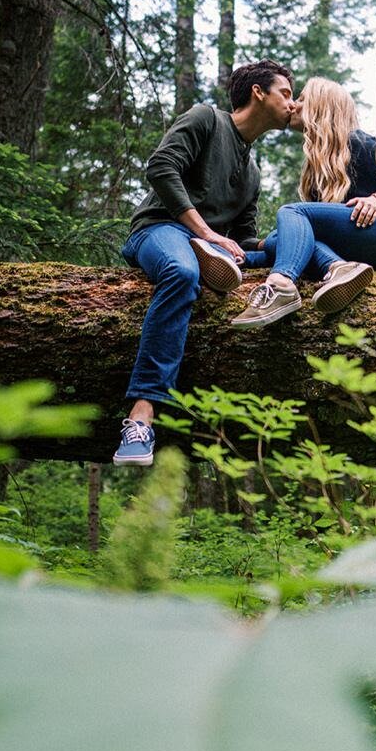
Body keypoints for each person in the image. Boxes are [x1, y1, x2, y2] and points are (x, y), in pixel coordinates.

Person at [112, 60, 297, 466]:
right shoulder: (206, 119)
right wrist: (206, 232)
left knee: (287, 244)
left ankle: (217, 254)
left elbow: (245, 238)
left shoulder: (252, 172)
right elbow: (161, 167)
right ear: (258, 92)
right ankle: (140, 418)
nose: (293, 103)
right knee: (182, 272)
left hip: (211, 245)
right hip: (160, 231)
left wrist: (288, 241)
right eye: (286, 93)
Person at [232, 77, 376, 328]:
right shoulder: (315, 170)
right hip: (365, 251)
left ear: (320, 106)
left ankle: (281, 285)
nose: (293, 105)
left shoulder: (358, 142)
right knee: (291, 239)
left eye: (301, 99)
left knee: (291, 214)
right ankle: (241, 260)